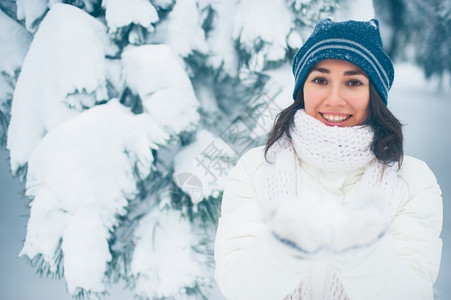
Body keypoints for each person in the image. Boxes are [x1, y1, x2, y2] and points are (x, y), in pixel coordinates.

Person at [214, 18, 442, 300]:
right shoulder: (255, 168)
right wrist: (282, 247)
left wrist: (366, 253)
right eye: (320, 79)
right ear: (302, 88)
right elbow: (238, 288)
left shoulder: (414, 180)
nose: (335, 99)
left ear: (375, 95)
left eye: (354, 82)